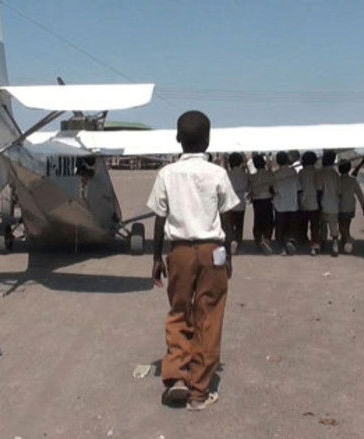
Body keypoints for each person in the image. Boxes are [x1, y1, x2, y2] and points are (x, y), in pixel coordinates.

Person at [147, 110, 239, 411]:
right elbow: (227, 217)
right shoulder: (218, 174)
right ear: (208, 140)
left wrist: (156, 257)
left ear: (177, 138)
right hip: (212, 250)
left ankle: (176, 375)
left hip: (180, 252)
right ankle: (199, 391)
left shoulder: (167, 174)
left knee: (179, 311)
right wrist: (228, 255)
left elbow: (159, 218)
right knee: (209, 315)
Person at [271, 151, 300, 255]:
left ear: (278, 161)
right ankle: (289, 242)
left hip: (280, 205)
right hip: (292, 204)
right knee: (290, 227)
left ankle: (281, 247)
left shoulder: (276, 174)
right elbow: (298, 188)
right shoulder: (293, 172)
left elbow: (274, 190)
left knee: (280, 227)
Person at [337, 159, 364, 254]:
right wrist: (363, 207)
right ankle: (345, 240)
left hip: (340, 207)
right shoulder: (353, 180)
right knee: (347, 224)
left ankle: (348, 240)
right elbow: (360, 194)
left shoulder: (337, 180)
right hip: (350, 207)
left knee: (341, 226)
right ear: (349, 168)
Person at [316, 150, 342, 256]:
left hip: (323, 203)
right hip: (334, 204)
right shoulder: (335, 174)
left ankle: (322, 243)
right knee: (333, 226)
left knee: (322, 226)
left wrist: (318, 204)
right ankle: (335, 245)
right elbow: (339, 191)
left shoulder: (320, 173)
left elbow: (319, 190)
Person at [248, 154, 274, 254]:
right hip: (267, 199)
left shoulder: (252, 177)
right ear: (264, 163)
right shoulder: (269, 174)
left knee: (258, 220)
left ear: (254, 165)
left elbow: (250, 188)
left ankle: (258, 240)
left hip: (257, 200)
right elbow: (273, 186)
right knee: (268, 220)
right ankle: (267, 239)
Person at [297, 151, 321, 254]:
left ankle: (303, 241)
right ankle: (314, 244)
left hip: (303, 202)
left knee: (303, 224)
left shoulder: (301, 173)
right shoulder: (317, 173)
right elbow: (319, 188)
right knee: (315, 226)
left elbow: (298, 188)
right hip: (314, 203)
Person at [226, 152, 249, 254]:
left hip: (229, 203)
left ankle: (231, 241)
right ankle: (238, 243)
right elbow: (248, 188)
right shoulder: (244, 175)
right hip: (241, 202)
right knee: (239, 225)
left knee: (230, 225)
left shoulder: (227, 174)